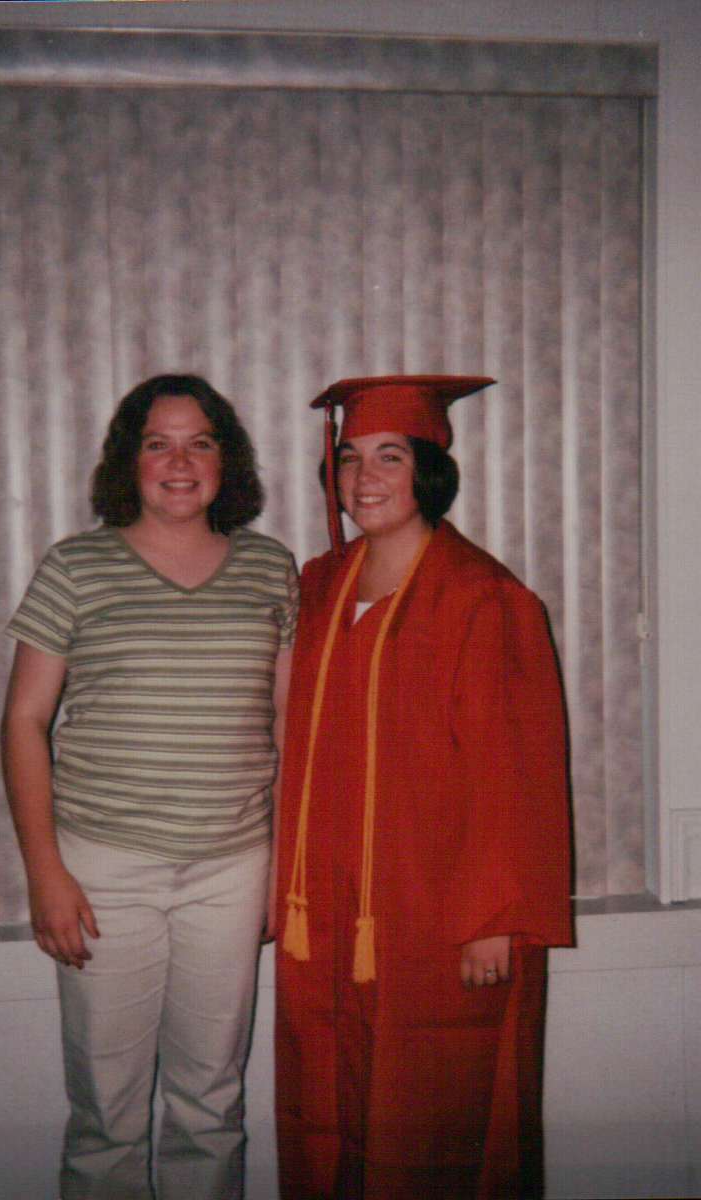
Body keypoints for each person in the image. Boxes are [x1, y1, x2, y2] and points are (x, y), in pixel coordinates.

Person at [273, 375, 575, 1199]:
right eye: (349, 458)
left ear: (430, 470)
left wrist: (497, 917)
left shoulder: (485, 598)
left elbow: (518, 770)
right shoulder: (319, 585)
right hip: (327, 909)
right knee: (328, 1106)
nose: (364, 478)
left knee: (435, 1118)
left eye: (390, 457)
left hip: (439, 916)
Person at [1, 374, 297, 1200]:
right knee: (108, 1112)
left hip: (233, 866)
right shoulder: (76, 566)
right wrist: (45, 872)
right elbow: (24, 721)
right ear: (128, 461)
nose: (180, 461)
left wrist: (285, 862)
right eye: (158, 443)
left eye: (200, 442)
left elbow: (290, 726)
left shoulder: (271, 569)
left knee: (212, 1102)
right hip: (103, 869)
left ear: (226, 461)